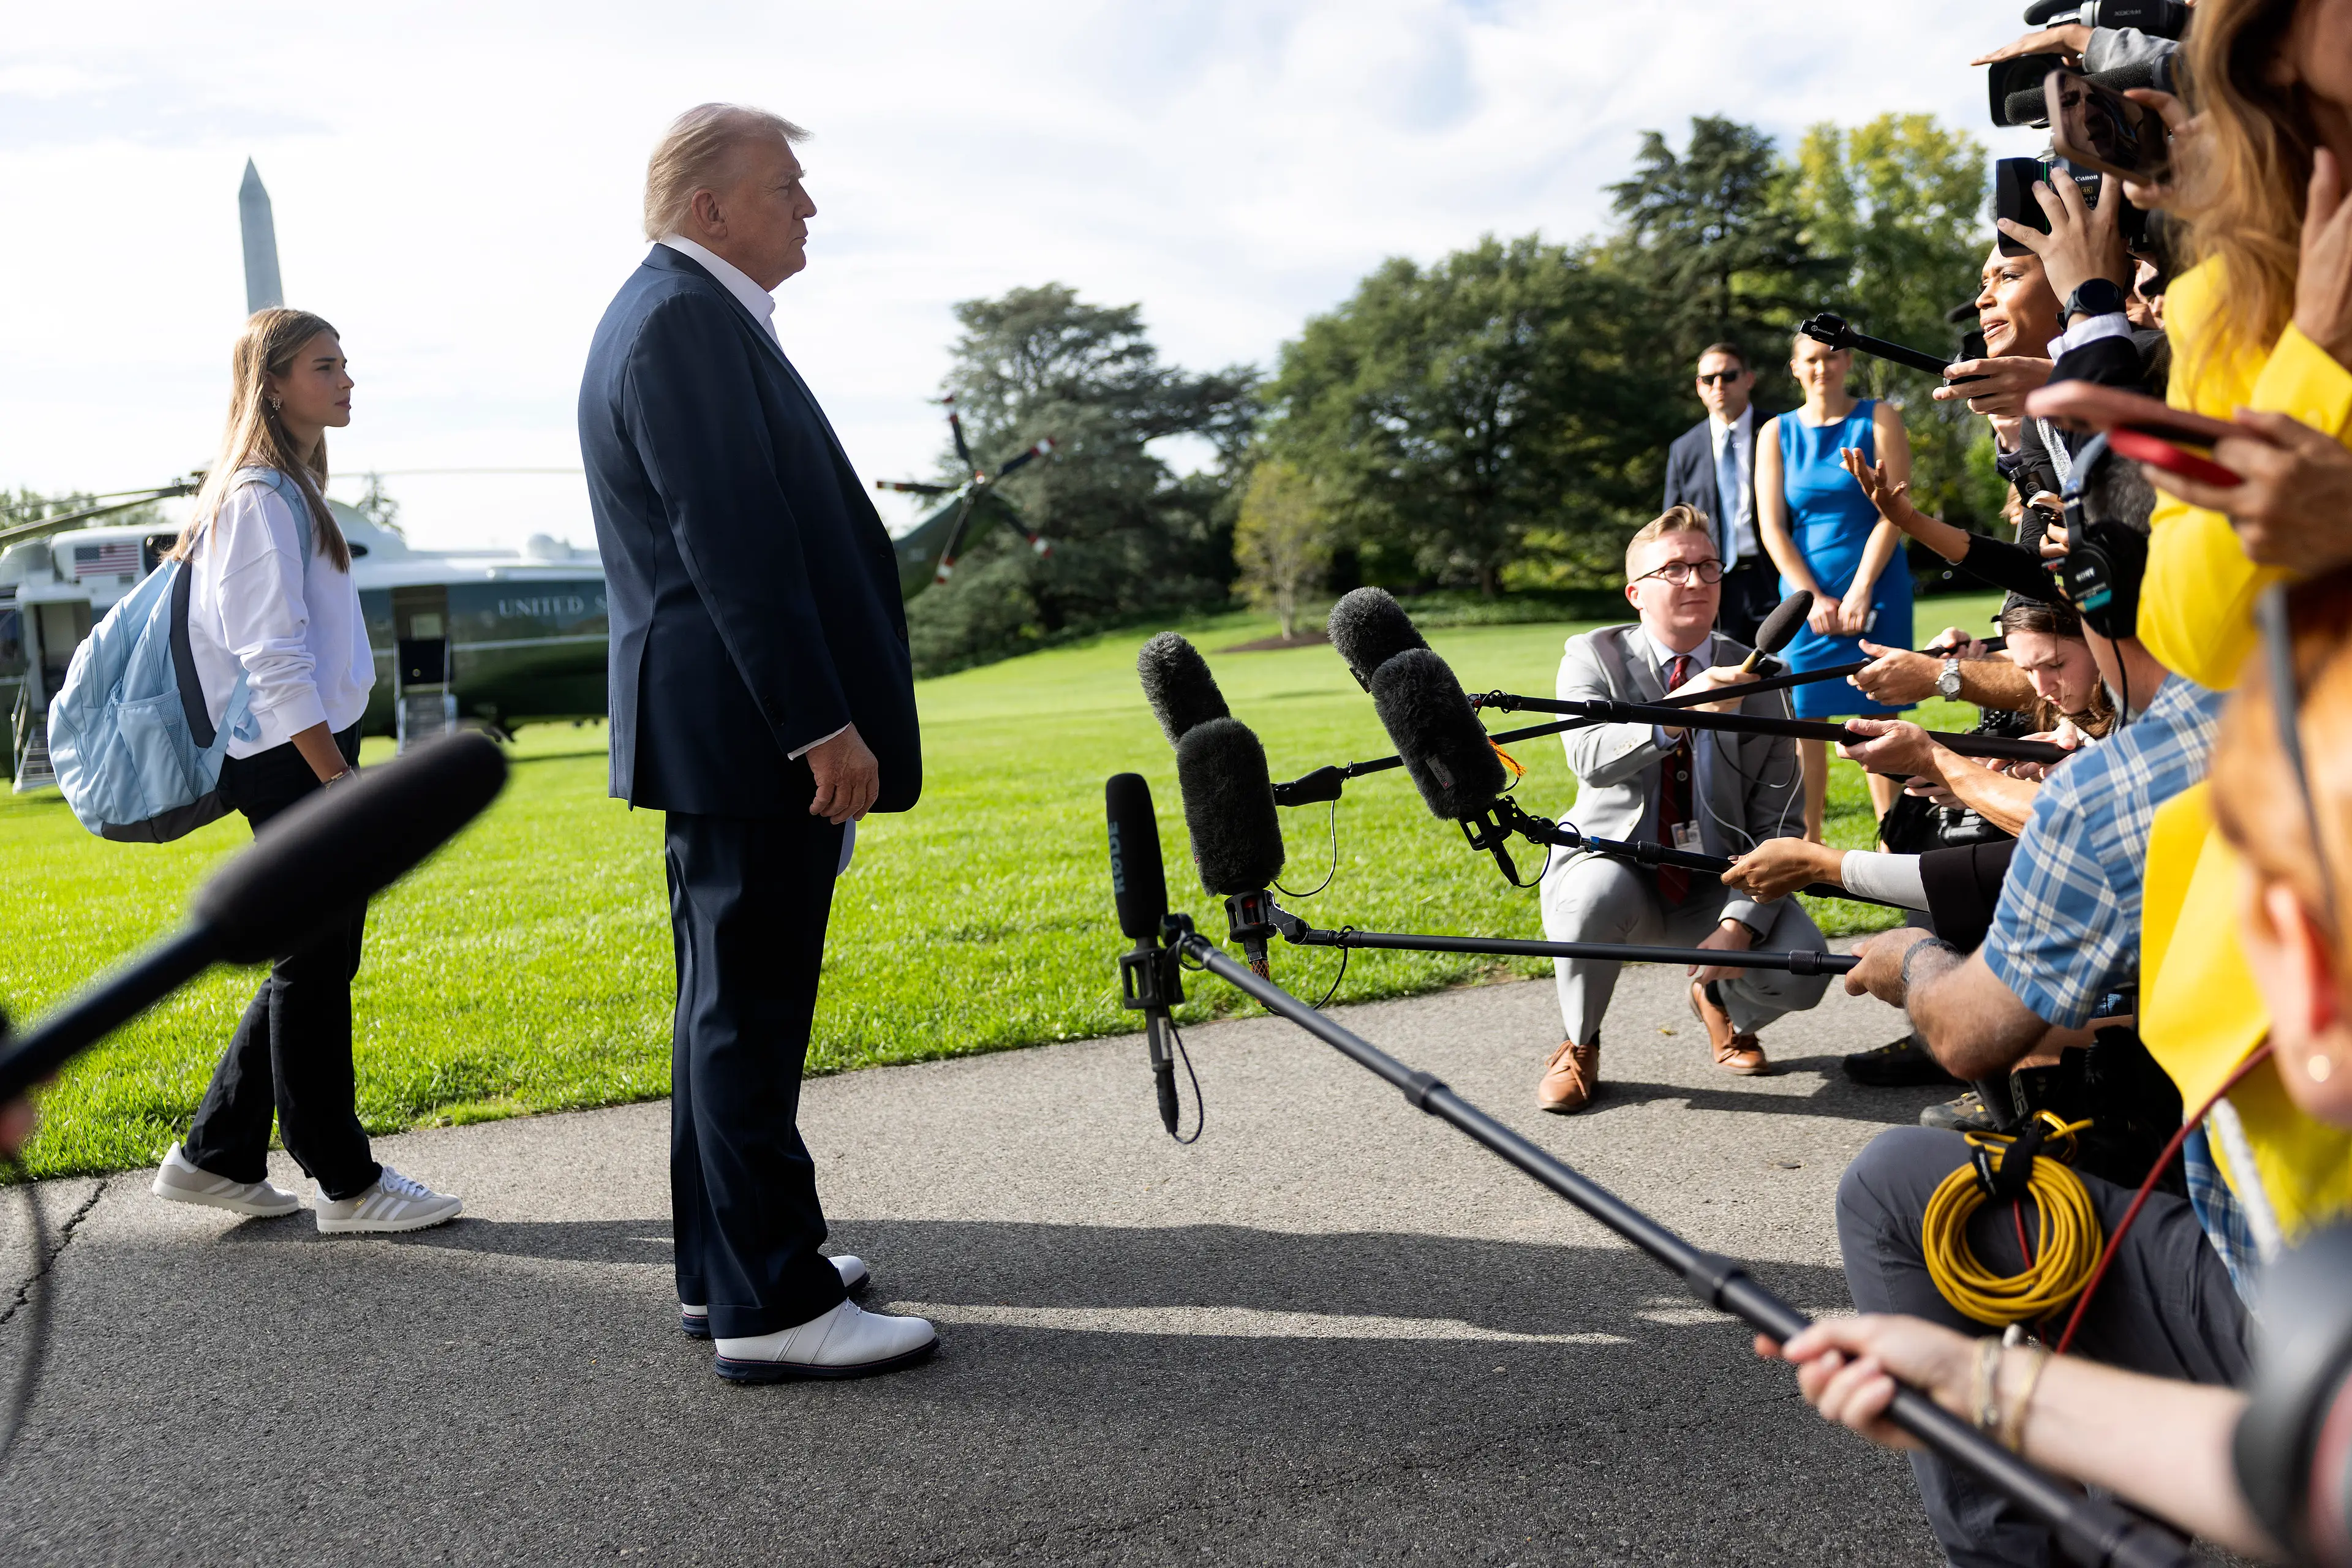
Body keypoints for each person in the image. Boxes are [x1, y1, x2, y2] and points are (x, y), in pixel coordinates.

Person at [1755, 567, 2352, 1568]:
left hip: (2295, 1333)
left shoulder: (2168, 771)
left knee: (1893, 1187)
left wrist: (1897, 944)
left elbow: (1970, 1030)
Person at [579, 105, 935, 1382]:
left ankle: (727, 1262)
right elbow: (732, 545)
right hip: (753, 736)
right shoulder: (681, 319)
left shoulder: (687, 312)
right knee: (745, 1014)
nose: (808, 206)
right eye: (785, 186)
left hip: (728, 733)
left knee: (723, 1010)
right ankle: (772, 1305)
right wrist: (819, 725)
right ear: (708, 206)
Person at [147, 308, 462, 1235]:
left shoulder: (289, 493)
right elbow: (270, 658)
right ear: (274, 384)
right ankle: (347, 1184)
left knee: (311, 950)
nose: (347, 379)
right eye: (326, 366)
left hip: (306, 751)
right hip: (292, 757)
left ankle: (217, 1155)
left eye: (345, 363)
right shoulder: (256, 496)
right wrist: (333, 779)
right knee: (317, 962)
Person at [1534, 506, 1831, 1113]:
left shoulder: (1765, 676)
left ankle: (1720, 1003)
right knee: (1591, 900)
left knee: (1807, 970)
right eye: (1674, 569)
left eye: (1707, 567)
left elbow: (1781, 823)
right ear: (1635, 592)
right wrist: (1681, 706)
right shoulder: (1591, 656)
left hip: (1715, 877)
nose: (1695, 580)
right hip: (1615, 867)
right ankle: (1580, 1041)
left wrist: (1736, 927)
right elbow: (1589, 757)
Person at [1755, 331, 1914, 840]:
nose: (1822, 367)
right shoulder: (1775, 433)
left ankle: (1893, 838)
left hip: (1877, 584)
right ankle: (1810, 841)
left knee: (1879, 709)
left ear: (1846, 360)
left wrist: (1863, 588)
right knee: (1806, 719)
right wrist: (1811, 599)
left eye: (1831, 356)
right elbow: (1772, 527)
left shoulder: (1879, 417)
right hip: (1805, 596)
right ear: (1795, 368)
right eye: (1810, 360)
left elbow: (1896, 510)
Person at [1661, 343, 1780, 645]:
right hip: (1713, 583)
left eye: (1728, 376)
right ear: (1699, 387)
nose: (1718, 385)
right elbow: (1673, 526)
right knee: (1723, 677)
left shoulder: (1779, 430)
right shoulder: (1683, 449)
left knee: (1784, 676)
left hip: (1776, 575)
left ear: (1749, 379)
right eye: (1708, 379)